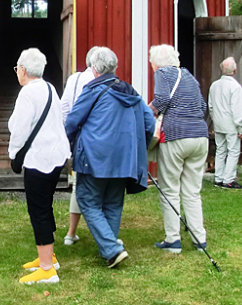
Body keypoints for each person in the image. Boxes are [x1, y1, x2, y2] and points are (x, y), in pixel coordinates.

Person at [65, 47, 155, 269]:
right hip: (124, 159)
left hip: (94, 157)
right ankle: (110, 249)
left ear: (94, 68)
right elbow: (149, 122)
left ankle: (112, 249)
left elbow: (72, 120)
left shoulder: (92, 89)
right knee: (113, 203)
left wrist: (66, 144)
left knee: (87, 199)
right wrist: (136, 145)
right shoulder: (131, 92)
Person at [8, 48, 71, 285]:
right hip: (56, 156)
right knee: (45, 205)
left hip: (39, 159)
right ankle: (49, 256)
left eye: (17, 69)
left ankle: (47, 269)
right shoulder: (49, 87)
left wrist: (14, 154)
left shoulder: (27, 93)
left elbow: (20, 128)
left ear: (23, 70)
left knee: (38, 210)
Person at [149, 44, 208, 254]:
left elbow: (163, 100)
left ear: (157, 62)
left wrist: (148, 111)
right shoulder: (188, 76)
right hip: (200, 136)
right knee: (192, 190)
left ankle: (173, 240)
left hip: (175, 136)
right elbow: (203, 107)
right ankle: (199, 239)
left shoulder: (163, 73)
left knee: (170, 189)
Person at [60, 46, 99, 246]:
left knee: (78, 185)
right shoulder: (102, 82)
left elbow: (65, 108)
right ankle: (103, 233)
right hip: (98, 139)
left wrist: (70, 135)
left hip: (79, 139)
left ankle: (71, 233)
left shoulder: (74, 79)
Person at [207, 57, 242, 189]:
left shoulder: (214, 85)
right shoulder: (235, 87)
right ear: (235, 70)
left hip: (218, 122)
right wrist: (240, 128)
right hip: (231, 124)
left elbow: (211, 106)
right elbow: (237, 110)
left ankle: (218, 178)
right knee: (233, 150)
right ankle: (228, 179)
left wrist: (214, 120)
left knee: (220, 150)